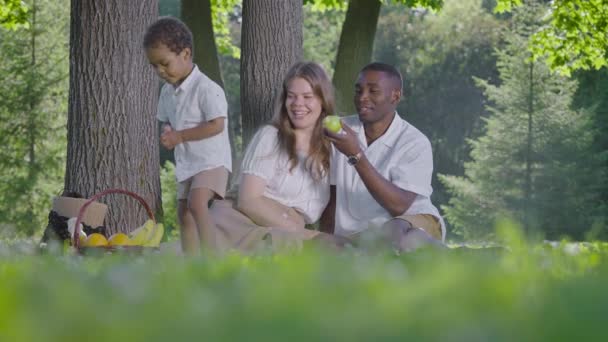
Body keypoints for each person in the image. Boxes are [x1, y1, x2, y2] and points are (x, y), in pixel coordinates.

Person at [320, 62, 445, 252]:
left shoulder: (414, 142)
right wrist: (328, 238)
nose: (363, 98)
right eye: (359, 90)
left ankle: (465, 260)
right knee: (390, 244)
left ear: (395, 96)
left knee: (396, 233)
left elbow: (400, 206)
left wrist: (356, 155)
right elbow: (333, 196)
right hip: (363, 233)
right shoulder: (340, 132)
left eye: (373, 91)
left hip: (412, 221)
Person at [209, 62, 333, 253]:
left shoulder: (330, 148)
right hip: (244, 224)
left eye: (307, 97)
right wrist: (302, 233)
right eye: (291, 96)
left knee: (343, 248)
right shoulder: (270, 137)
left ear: (323, 101)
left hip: (284, 233)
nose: (298, 104)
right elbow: (248, 201)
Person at [143, 17, 232, 255]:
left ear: (185, 54)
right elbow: (168, 123)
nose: (160, 71)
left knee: (196, 203)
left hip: (212, 162)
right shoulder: (167, 92)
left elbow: (216, 125)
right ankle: (191, 263)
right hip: (189, 164)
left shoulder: (207, 89)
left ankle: (212, 261)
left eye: (164, 63)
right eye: (154, 66)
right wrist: (169, 133)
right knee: (184, 213)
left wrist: (180, 136)